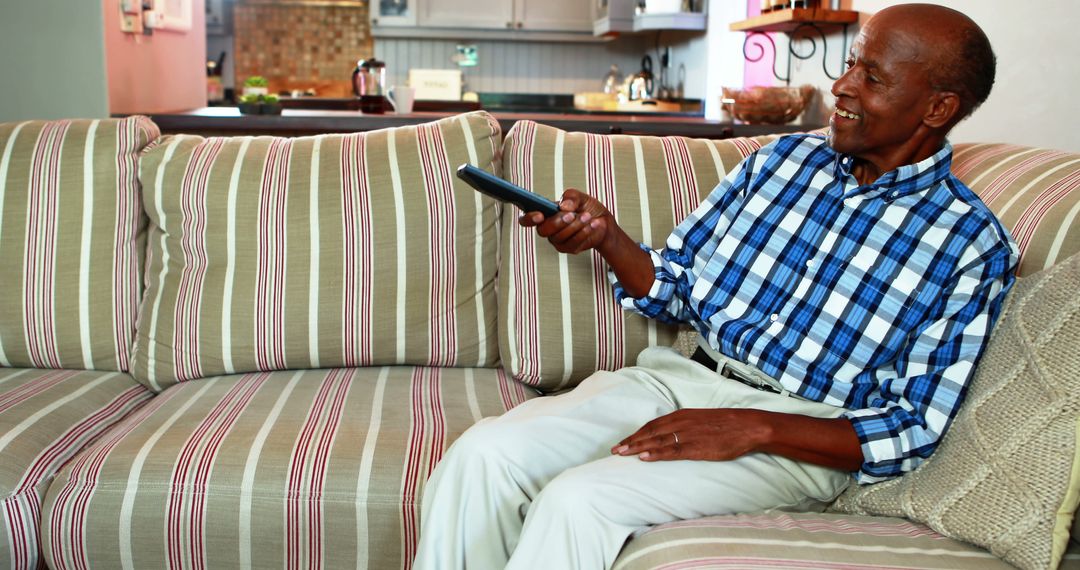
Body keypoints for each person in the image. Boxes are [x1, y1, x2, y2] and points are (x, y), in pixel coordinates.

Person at [414, 4, 1017, 569]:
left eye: (874, 76)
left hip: (797, 432)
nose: (843, 85)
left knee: (581, 500)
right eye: (852, 62)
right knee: (483, 455)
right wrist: (607, 238)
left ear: (937, 109)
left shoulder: (970, 244)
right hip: (677, 379)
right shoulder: (777, 164)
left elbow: (915, 425)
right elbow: (676, 285)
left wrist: (755, 426)